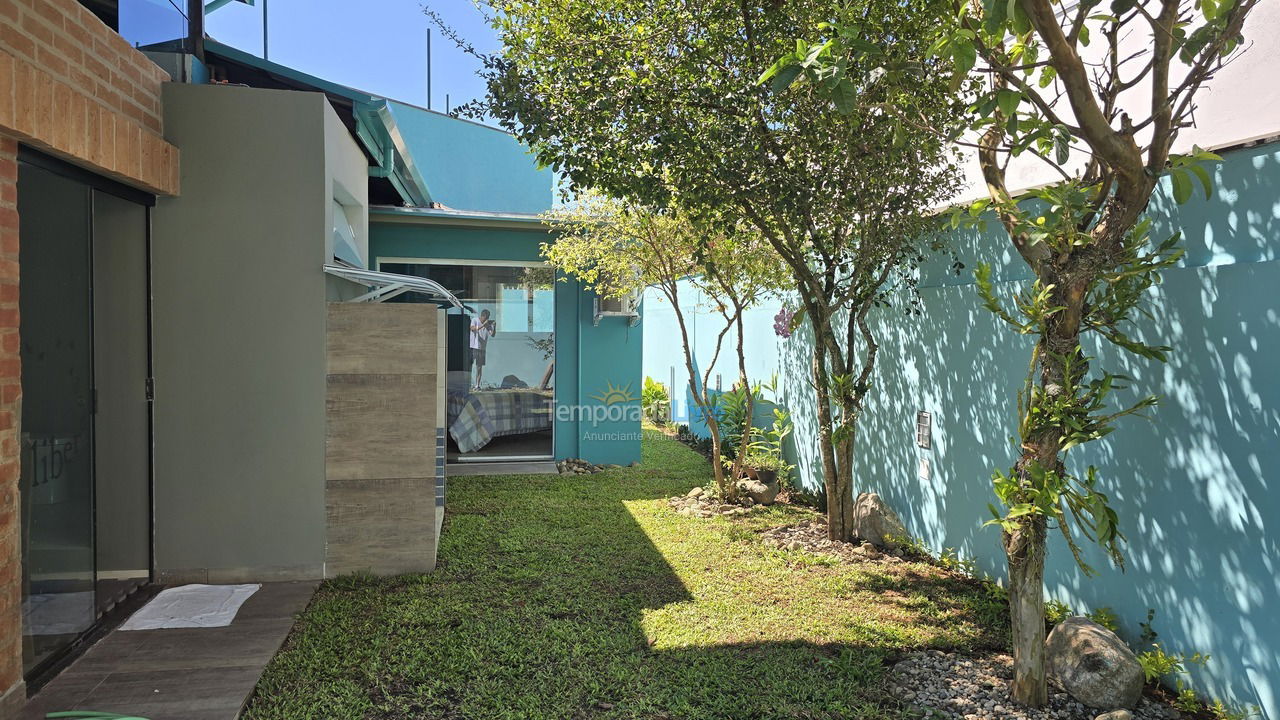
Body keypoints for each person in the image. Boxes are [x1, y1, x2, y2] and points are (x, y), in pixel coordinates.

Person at [469, 309, 496, 389]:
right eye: (486, 317)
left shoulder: (487, 324)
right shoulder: (475, 320)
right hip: (473, 347)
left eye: (488, 318)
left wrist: (494, 326)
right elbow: (472, 328)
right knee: (470, 365)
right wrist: (483, 325)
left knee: (479, 367)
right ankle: (469, 384)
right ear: (483, 316)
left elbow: (492, 334)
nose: (487, 319)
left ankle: (477, 385)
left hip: (482, 348)